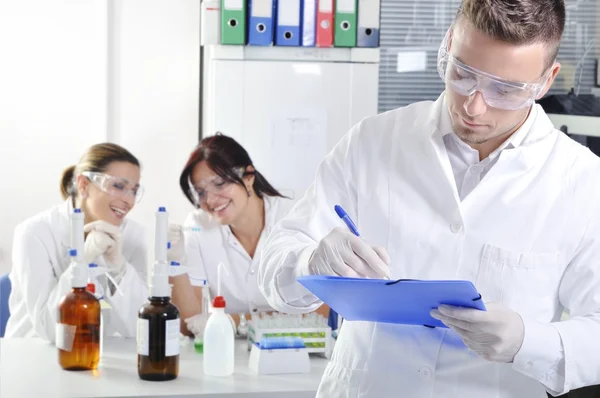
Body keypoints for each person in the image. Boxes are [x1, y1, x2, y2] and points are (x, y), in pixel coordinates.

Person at [258, 0, 600, 396]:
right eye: (463, 74)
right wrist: (308, 261)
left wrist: (528, 342)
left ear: (545, 81)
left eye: (505, 90)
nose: (474, 105)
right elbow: (274, 270)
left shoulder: (583, 182)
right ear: (449, 43)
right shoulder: (373, 142)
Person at [168, 134, 328, 336]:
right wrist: (176, 265)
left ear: (249, 177)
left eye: (219, 183)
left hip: (299, 351)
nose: (210, 200)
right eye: (200, 192)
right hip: (229, 354)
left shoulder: (294, 216)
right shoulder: (198, 227)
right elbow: (190, 325)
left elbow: (320, 312)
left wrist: (236, 321)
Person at [6, 143, 149, 341]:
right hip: (35, 352)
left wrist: (121, 270)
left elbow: (141, 328)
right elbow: (48, 328)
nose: (129, 201)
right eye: (118, 186)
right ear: (83, 185)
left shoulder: (134, 236)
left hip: (100, 355)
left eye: (134, 191)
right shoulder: (35, 233)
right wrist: (81, 262)